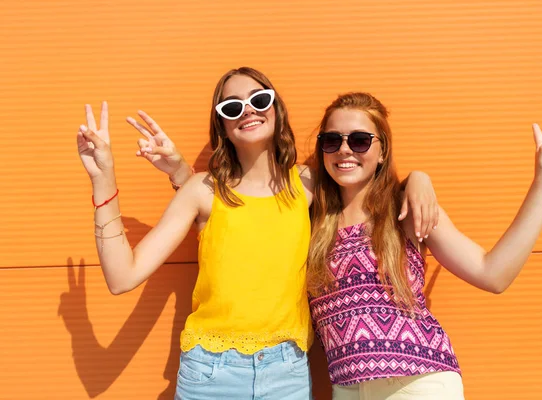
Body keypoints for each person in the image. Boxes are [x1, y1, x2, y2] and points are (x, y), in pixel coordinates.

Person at [76, 67, 438, 399]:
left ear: (276, 109)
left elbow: (368, 175)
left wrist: (417, 180)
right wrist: (103, 178)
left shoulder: (310, 182)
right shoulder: (203, 191)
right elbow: (122, 276)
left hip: (287, 373)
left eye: (258, 100)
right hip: (209, 372)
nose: (248, 110)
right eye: (232, 107)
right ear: (222, 125)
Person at [305, 92, 542, 400]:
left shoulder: (405, 208)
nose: (344, 150)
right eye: (331, 140)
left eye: (359, 140)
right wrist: (418, 177)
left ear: (383, 151)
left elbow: (492, 273)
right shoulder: (312, 220)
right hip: (348, 388)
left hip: (418, 382)